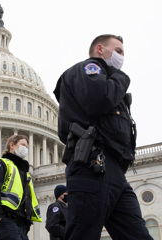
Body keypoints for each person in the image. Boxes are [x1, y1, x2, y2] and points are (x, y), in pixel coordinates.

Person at [54, 34, 153, 240]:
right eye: (118, 51)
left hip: (114, 170)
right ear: (100, 49)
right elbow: (100, 99)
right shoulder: (88, 69)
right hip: (92, 165)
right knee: (83, 235)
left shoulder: (107, 80)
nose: (121, 57)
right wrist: (121, 77)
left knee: (138, 235)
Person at [0, 135, 42, 240]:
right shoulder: (1, 164)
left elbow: (26, 200)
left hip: (21, 224)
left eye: (27, 147)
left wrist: (27, 223)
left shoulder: (24, 173)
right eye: (23, 145)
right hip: (5, 220)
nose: (25, 149)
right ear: (12, 145)